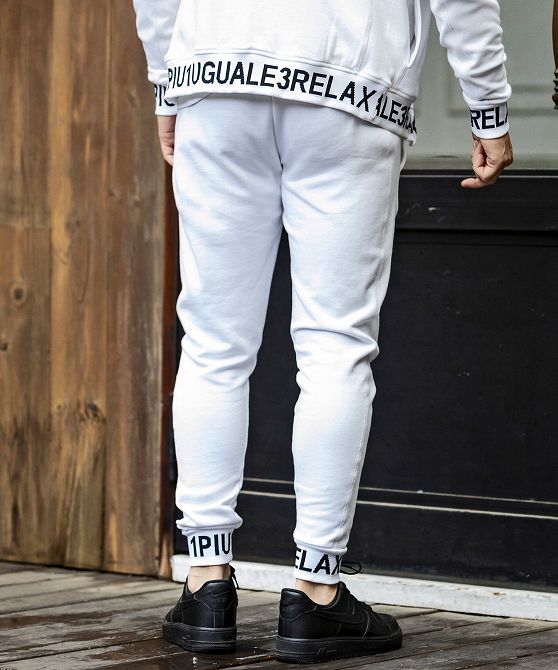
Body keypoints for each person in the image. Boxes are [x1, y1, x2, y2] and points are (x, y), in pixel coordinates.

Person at [133, 0, 513, 663]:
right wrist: (488, 107)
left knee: (214, 343)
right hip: (347, 82)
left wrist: (167, 79)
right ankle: (314, 590)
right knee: (335, 347)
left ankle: (204, 583)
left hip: (213, 76)